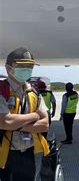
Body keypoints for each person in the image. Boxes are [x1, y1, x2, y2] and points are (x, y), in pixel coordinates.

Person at [0, 48, 49, 181]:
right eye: (22, 66)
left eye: (30, 66)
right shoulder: (1, 90)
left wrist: (16, 124)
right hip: (4, 154)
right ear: (8, 68)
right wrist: (34, 116)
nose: (27, 69)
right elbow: (5, 122)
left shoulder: (34, 92)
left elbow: (45, 124)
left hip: (27, 154)